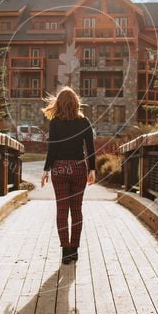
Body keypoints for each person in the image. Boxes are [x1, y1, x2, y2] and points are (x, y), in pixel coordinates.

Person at [40, 86, 96, 265]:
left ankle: (65, 250)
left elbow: (52, 148)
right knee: (77, 210)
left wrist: (46, 169)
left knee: (62, 210)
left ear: (59, 104)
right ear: (76, 103)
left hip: (60, 168)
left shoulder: (55, 122)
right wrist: (92, 169)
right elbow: (90, 148)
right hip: (79, 167)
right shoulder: (84, 121)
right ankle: (74, 249)